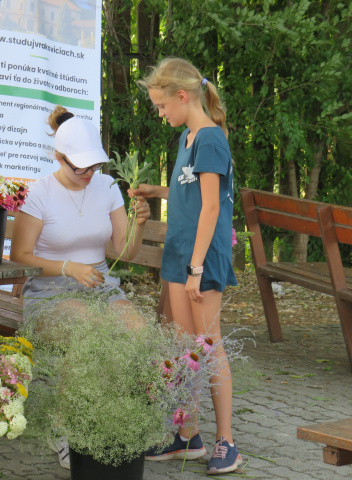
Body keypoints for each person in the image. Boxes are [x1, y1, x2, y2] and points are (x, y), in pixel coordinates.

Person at [10, 107, 150, 467]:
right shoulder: (40, 192)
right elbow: (19, 256)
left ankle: (113, 420)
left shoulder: (107, 187)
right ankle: (65, 427)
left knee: (137, 329)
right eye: (80, 167)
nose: (88, 174)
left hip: (101, 288)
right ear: (59, 157)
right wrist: (67, 267)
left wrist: (141, 224)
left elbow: (123, 252)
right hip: (48, 293)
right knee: (89, 329)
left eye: (94, 166)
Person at [134, 57, 240, 475]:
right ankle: (187, 437)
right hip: (179, 254)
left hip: (202, 258)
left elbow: (212, 207)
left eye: (162, 106)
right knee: (183, 349)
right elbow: (190, 191)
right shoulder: (188, 137)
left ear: (182, 96)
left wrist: (197, 268)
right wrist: (155, 190)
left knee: (208, 347)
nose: (161, 114)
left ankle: (227, 442)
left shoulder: (210, 139)